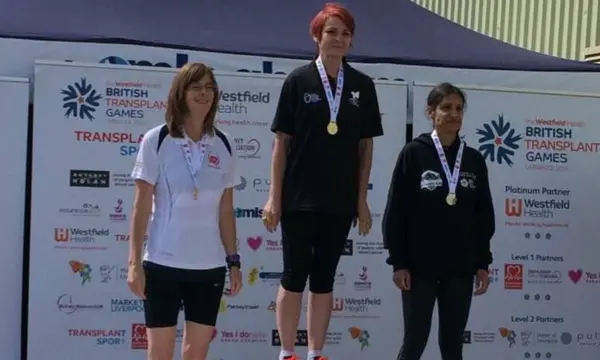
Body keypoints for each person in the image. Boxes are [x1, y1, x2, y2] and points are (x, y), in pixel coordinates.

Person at [261, 3, 384, 360]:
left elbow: (365, 148)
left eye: (346, 34)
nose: (339, 39)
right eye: (332, 32)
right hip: (299, 197)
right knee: (293, 275)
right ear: (317, 36)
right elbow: (280, 144)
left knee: (325, 278)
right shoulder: (297, 81)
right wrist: (274, 197)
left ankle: (316, 352)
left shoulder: (362, 85)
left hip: (340, 200)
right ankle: (287, 352)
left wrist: (361, 200)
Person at [127, 62, 243, 360]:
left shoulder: (225, 143)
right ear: (181, 93)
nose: (204, 94)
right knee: (160, 351)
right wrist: (133, 264)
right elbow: (141, 207)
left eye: (210, 88)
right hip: (163, 263)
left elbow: (226, 210)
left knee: (196, 351)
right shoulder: (157, 139)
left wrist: (233, 260)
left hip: (208, 266)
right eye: (196, 87)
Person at [382, 83, 495, 360]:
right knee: (415, 340)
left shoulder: (474, 160)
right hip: (420, 267)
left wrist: (482, 263)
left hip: (460, 267)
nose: (453, 114)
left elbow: (483, 215)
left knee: (453, 344)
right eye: (446, 108)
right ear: (431, 112)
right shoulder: (413, 153)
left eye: (459, 109)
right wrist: (399, 262)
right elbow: (396, 212)